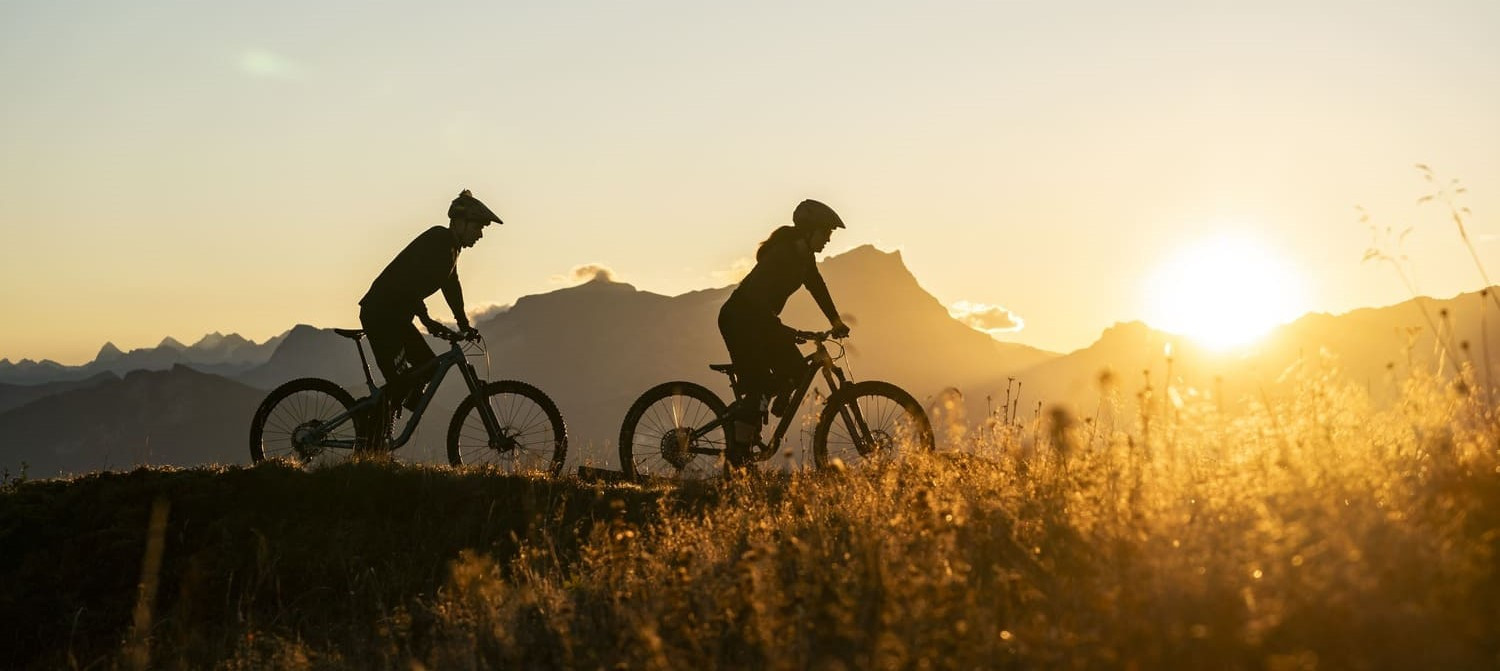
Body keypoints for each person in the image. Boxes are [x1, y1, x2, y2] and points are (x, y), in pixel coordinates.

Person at [357, 189, 501, 446]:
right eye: (478, 227)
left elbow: (451, 286)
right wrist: (426, 319)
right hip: (380, 315)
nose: (480, 234)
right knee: (401, 381)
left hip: (397, 318)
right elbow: (407, 283)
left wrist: (463, 323)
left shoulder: (452, 250)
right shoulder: (438, 240)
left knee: (429, 368)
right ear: (459, 223)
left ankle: (384, 415)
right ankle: (369, 439)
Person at [718, 198, 851, 461]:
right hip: (739, 320)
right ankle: (740, 454)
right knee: (757, 383)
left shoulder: (804, 259)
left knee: (798, 371)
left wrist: (836, 322)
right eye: (826, 233)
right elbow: (754, 304)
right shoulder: (782, 254)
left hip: (760, 321)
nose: (828, 239)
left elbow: (818, 288)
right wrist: (786, 332)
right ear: (810, 230)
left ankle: (759, 410)